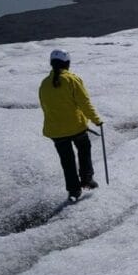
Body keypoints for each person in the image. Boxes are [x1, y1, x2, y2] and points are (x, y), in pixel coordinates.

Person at [38, 49, 103, 202]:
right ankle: (87, 179)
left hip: (55, 130)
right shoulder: (72, 80)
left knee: (66, 160)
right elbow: (84, 102)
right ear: (67, 63)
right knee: (84, 150)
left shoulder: (44, 83)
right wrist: (96, 120)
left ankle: (73, 190)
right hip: (76, 127)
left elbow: (45, 105)